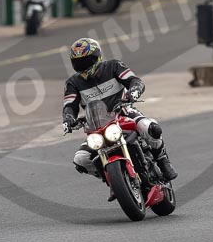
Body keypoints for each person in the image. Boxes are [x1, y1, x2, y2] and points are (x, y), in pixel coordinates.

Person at [62, 38, 178, 196]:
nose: (83, 65)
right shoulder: (73, 83)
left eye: (86, 60)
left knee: (150, 128)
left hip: (124, 112)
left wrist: (134, 90)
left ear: (97, 57)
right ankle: (112, 179)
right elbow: (69, 105)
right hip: (97, 124)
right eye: (78, 62)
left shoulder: (114, 66)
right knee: (81, 159)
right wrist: (68, 119)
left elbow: (134, 80)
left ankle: (163, 161)